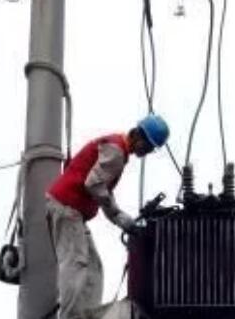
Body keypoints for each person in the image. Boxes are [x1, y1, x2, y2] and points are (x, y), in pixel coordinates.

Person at [46, 113, 170, 319]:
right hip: (67, 207)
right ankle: (69, 316)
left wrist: (119, 219)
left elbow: (100, 187)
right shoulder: (116, 152)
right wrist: (119, 216)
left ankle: (86, 314)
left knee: (93, 267)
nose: (147, 152)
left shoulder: (116, 147)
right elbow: (94, 184)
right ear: (139, 136)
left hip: (72, 210)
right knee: (76, 263)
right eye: (148, 146)